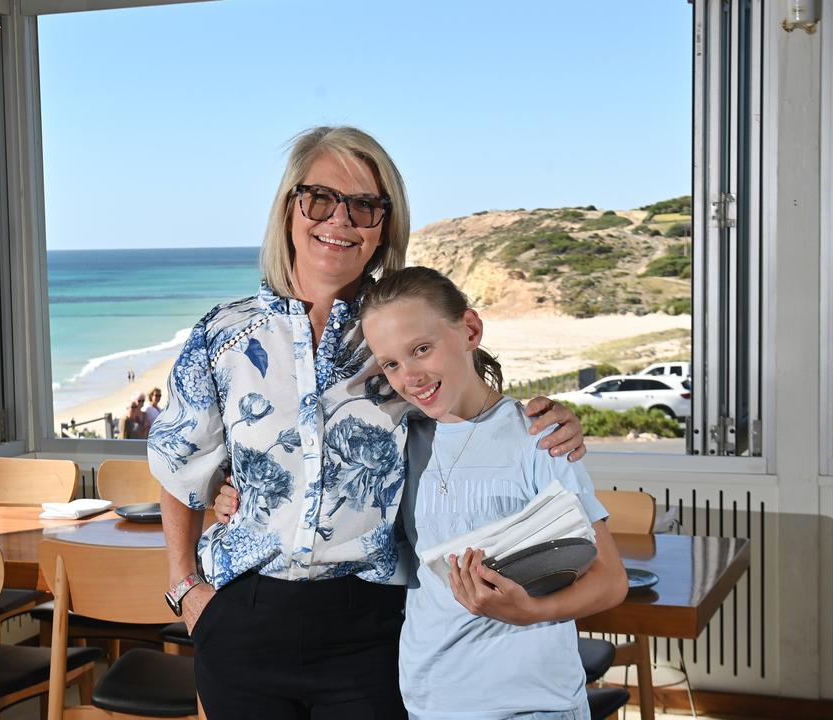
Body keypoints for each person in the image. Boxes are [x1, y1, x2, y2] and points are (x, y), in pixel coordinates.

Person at [148, 126, 587, 719]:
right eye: (320, 198)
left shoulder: (401, 330)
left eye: (364, 206)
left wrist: (552, 422)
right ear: (289, 209)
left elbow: (474, 409)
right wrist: (185, 588)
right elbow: (180, 463)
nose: (340, 220)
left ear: (385, 226)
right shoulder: (223, 336)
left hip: (373, 625)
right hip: (243, 618)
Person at [362, 266, 627, 719]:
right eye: (391, 363)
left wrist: (529, 612)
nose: (410, 376)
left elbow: (610, 580)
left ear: (469, 330)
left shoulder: (540, 437)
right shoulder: (400, 441)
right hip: (430, 701)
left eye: (421, 349)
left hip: (530, 704)